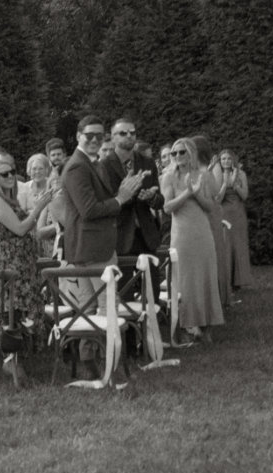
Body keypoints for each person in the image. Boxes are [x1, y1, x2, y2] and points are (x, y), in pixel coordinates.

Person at [61, 114, 144, 373]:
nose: (95, 140)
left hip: (89, 247)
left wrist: (124, 191)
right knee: (106, 307)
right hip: (92, 249)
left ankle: (91, 362)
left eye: (100, 136)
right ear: (78, 136)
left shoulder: (90, 163)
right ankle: (111, 366)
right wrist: (121, 198)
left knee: (90, 309)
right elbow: (88, 210)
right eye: (90, 136)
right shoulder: (77, 166)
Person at [0, 155, 52, 384]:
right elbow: (21, 229)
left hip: (24, 260)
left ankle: (21, 360)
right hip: (13, 261)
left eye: (12, 171)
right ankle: (11, 361)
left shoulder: (10, 201)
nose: (11, 176)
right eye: (4, 174)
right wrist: (39, 207)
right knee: (16, 309)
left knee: (26, 308)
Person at [161, 138, 224, 342]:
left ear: (191, 154)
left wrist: (197, 194)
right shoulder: (169, 177)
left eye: (182, 152)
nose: (177, 157)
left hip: (202, 232)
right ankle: (188, 324)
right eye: (174, 153)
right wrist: (188, 192)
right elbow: (168, 207)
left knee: (205, 276)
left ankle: (207, 324)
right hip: (181, 234)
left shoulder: (204, 176)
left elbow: (210, 207)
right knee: (185, 279)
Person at [99, 118, 164, 297]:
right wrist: (125, 195)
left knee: (153, 291)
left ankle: (152, 324)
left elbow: (160, 201)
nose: (129, 135)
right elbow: (105, 204)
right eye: (123, 133)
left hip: (146, 234)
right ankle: (127, 325)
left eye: (132, 132)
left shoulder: (147, 163)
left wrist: (151, 197)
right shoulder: (103, 166)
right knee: (124, 293)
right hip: (120, 235)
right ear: (112, 138)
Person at [190, 135, 232, 308]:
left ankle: (217, 297)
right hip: (207, 214)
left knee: (214, 254)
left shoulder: (209, 171)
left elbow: (216, 194)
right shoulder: (202, 169)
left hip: (210, 214)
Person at [213, 149, 252, 289]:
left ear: (233, 160)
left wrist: (235, 185)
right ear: (219, 161)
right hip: (224, 214)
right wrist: (225, 183)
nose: (226, 161)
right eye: (223, 159)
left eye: (228, 159)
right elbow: (217, 199)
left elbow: (245, 195)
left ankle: (239, 280)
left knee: (238, 245)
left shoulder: (241, 174)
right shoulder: (217, 174)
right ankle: (226, 279)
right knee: (225, 245)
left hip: (238, 213)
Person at [23, 153, 59, 257]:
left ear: (47, 170)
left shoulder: (53, 188)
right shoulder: (23, 189)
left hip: (48, 238)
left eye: (41, 169)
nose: (37, 172)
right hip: (28, 237)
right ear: (29, 170)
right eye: (34, 169)